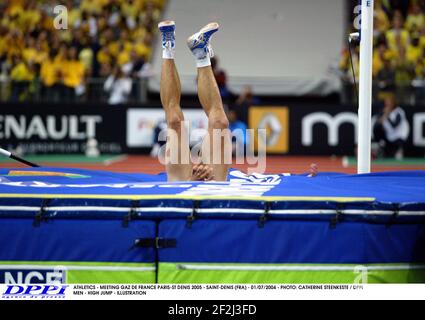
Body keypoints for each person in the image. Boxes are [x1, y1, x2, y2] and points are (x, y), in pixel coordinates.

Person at [158, 21, 317, 182]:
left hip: (199, 183)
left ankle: (201, 53)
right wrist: (192, 182)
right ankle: (168, 46)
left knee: (220, 122)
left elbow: (268, 180)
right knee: (174, 120)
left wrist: (303, 177)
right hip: (190, 186)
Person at [373, 93, 410, 158]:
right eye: (386, 102)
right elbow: (377, 123)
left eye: (389, 102)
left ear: (393, 103)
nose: (387, 104)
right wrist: (383, 116)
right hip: (389, 137)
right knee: (377, 128)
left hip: (399, 137)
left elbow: (395, 125)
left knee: (395, 155)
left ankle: (399, 150)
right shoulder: (384, 111)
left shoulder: (399, 111)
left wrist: (387, 116)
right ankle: (380, 146)